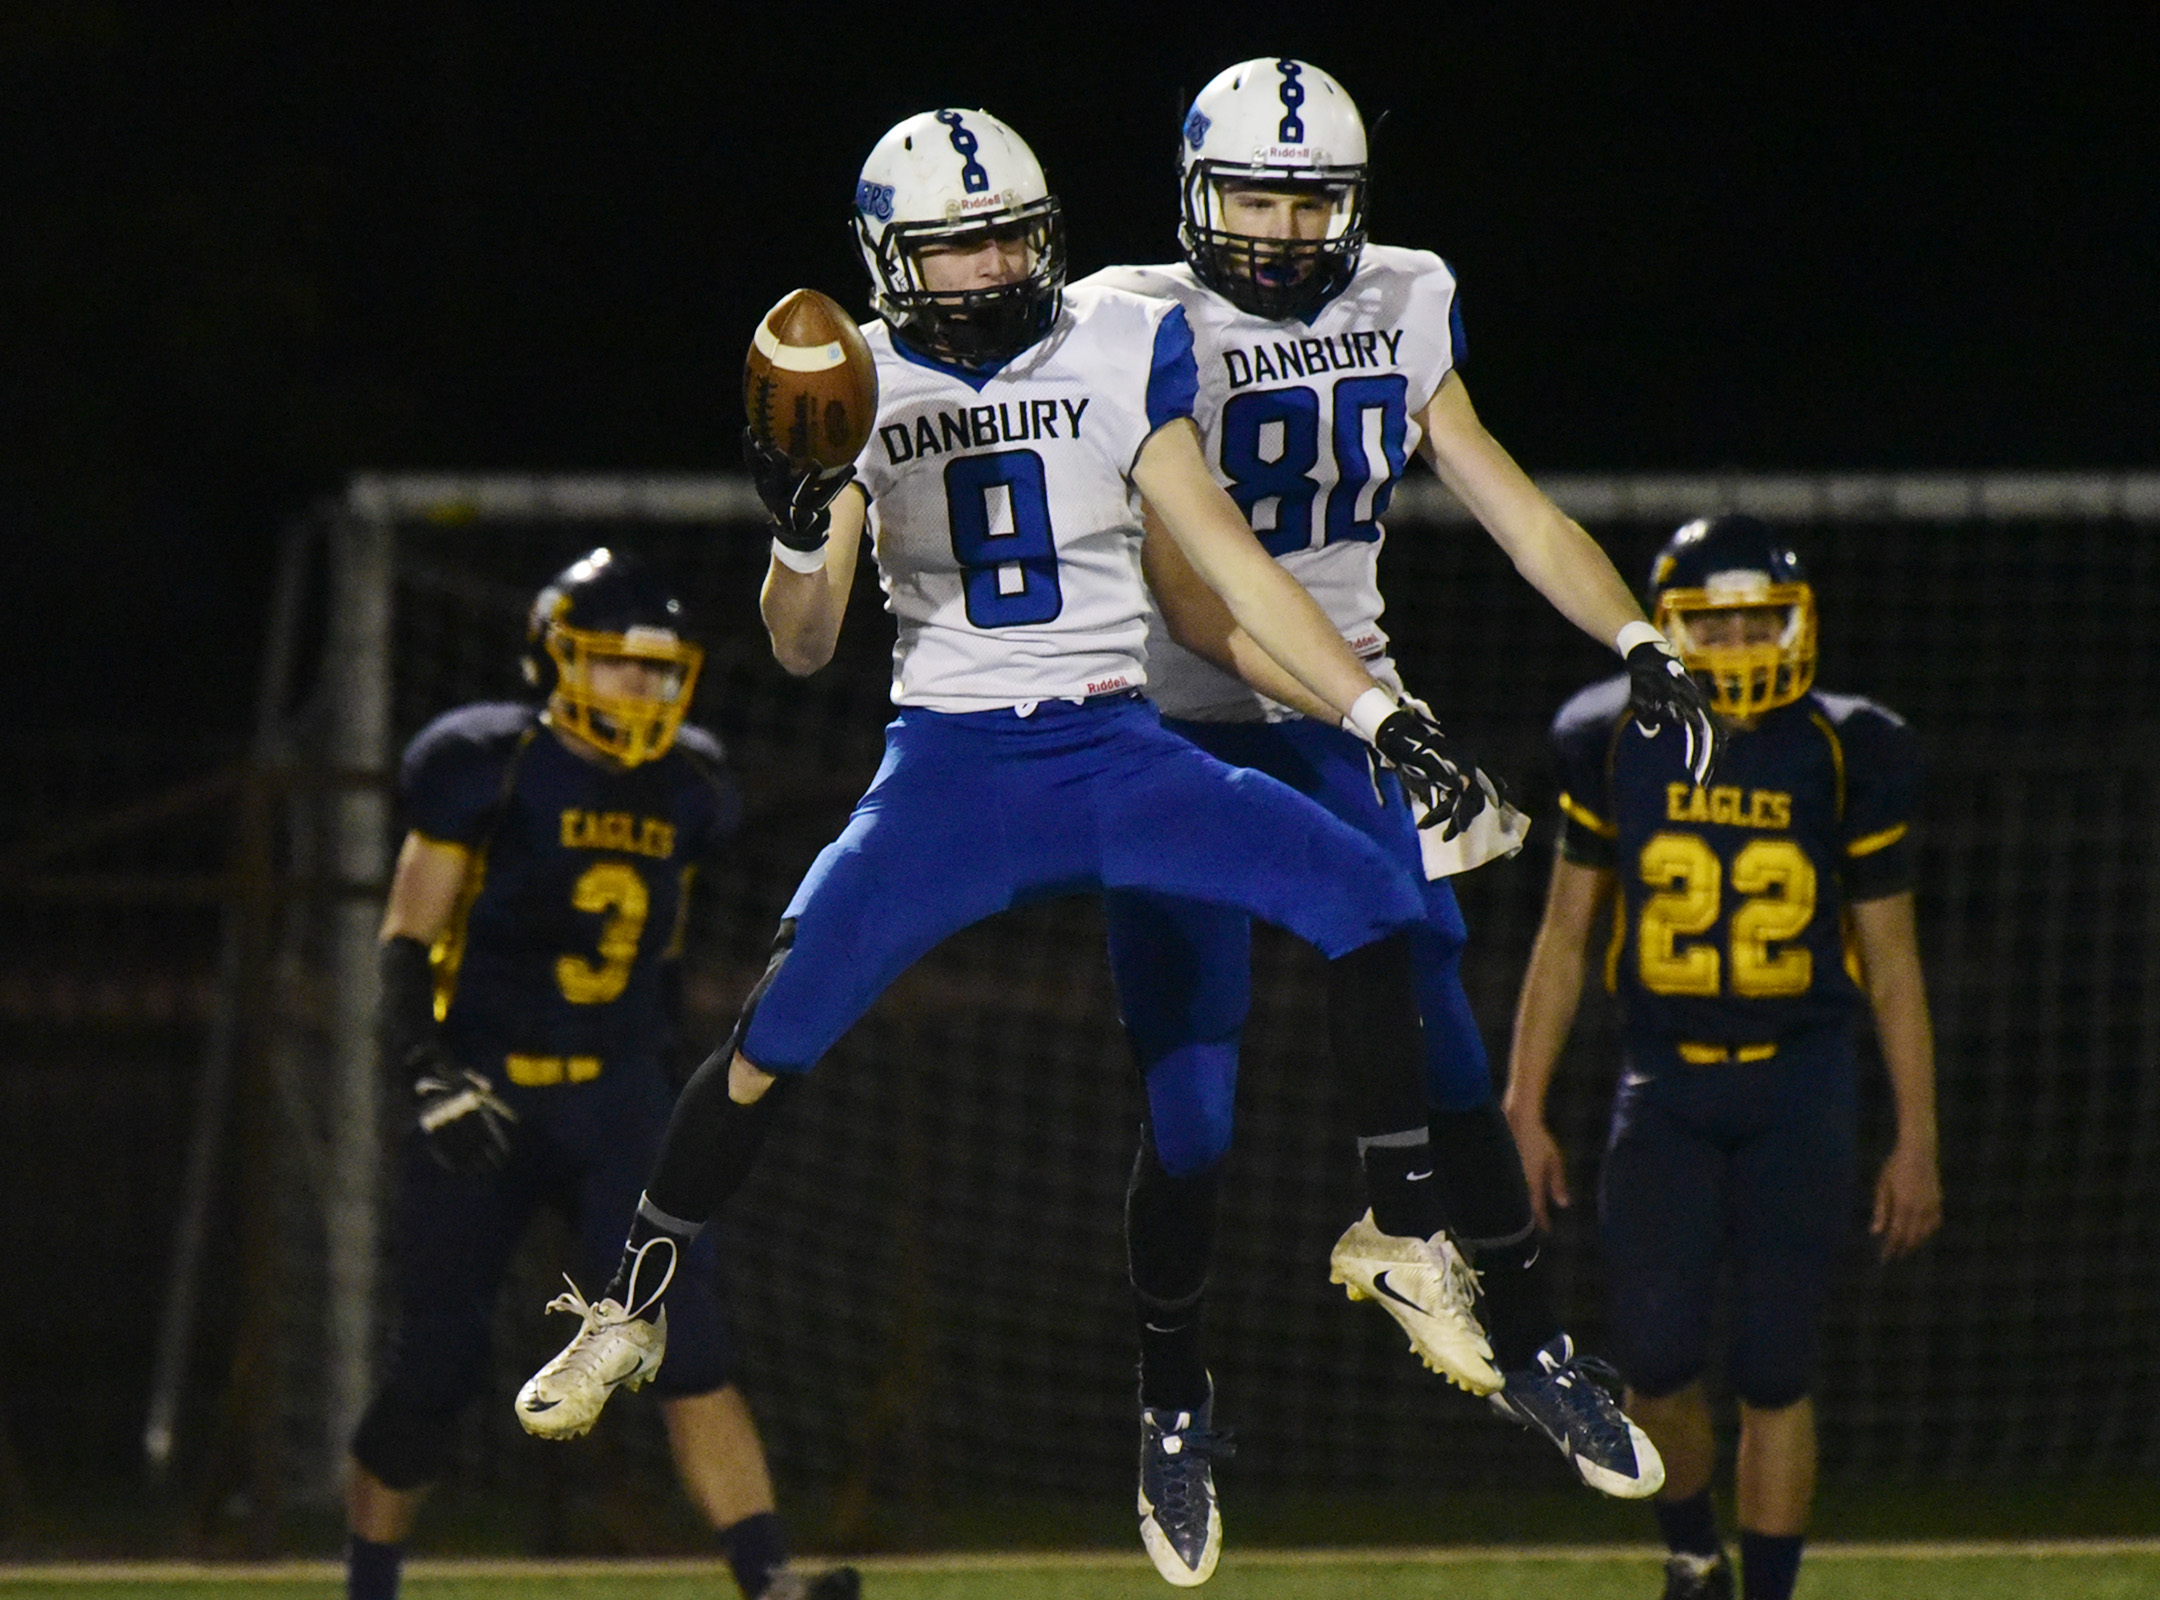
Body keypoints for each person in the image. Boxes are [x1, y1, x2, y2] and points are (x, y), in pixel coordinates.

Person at [511, 105, 1594, 1582]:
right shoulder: (863, 382)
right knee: (775, 1032)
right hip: (949, 771)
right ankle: (628, 1307)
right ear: (895, 259)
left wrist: (1368, 713)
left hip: (1117, 744)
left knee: (1373, 897)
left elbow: (1229, 562)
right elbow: (810, 642)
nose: (998, 263)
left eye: (1014, 232)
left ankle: (1401, 1234)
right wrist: (795, 523)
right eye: (960, 244)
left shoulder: (1108, 344)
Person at [1081, 57, 1720, 1579]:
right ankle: (1172, 1403)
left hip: (1350, 705)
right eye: (1258, 196)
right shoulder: (1129, 319)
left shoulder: (1408, 295)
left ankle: (1533, 1339)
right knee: (1194, 1112)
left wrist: (1644, 641)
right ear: (1193, 194)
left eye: (1315, 201)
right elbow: (1186, 586)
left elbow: (1504, 496)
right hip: (1178, 718)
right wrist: (1364, 712)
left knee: (1442, 1021)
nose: (1291, 232)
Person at [344, 549, 858, 1600]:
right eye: (619, 665)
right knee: (433, 1367)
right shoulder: (486, 762)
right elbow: (407, 935)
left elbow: (659, 954)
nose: (644, 687)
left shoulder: (693, 780)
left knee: (686, 1338)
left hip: (616, 1096)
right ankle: (368, 1581)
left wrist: (667, 1080)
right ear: (557, 660)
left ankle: (770, 1584)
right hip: (484, 1090)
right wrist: (425, 1071)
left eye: (659, 670)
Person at [1502, 515, 1943, 1600]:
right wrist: (1521, 1104)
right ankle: (1693, 1555)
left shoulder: (1849, 746)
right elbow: (1563, 934)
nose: (1743, 644)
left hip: (1803, 1080)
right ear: (1670, 633)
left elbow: (1892, 964)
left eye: (1760, 621)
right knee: (1652, 1361)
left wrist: (1918, 1136)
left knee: (1776, 1368)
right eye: (1719, 624)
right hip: (1664, 1081)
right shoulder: (1610, 735)